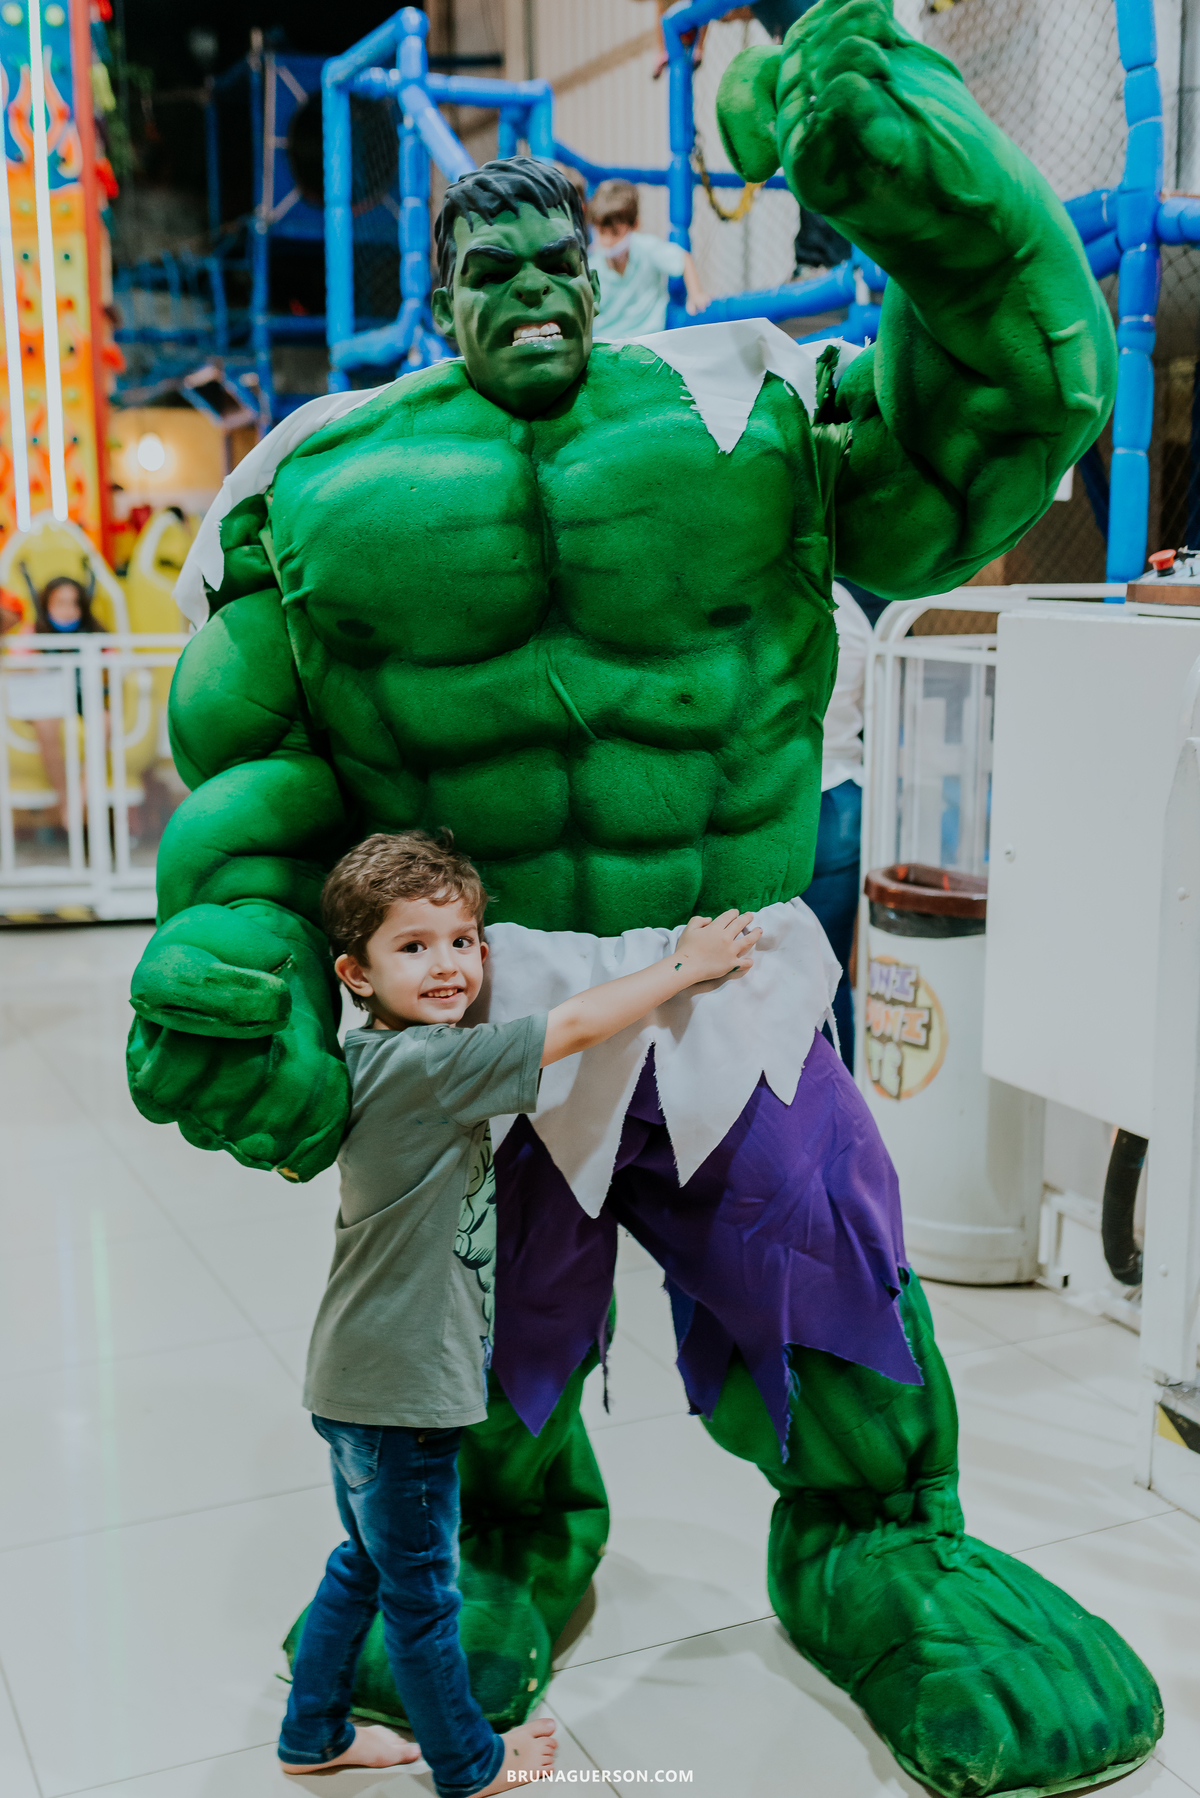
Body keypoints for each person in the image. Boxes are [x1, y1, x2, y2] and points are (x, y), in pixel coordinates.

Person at [130, 2, 1161, 1781]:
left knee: (829, 1284)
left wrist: (907, 165)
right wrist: (233, 949)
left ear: (595, 269)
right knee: (488, 1340)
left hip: (729, 987)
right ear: (446, 289)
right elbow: (264, 769)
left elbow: (1009, 410)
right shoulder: (326, 490)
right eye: (493, 266)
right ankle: (515, 1550)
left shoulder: (743, 416)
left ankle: (884, 1546)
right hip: (488, 1011)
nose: (529, 292)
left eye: (555, 259)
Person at [278, 828, 758, 1791]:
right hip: (401, 1394)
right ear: (354, 972)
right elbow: (573, 1028)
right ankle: (467, 1763)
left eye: (462, 940)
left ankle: (314, 1734)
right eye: (412, 947)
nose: (446, 964)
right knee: (422, 1593)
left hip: (354, 1377)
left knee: (364, 1566)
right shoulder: (423, 1066)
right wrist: (685, 964)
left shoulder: (382, 1056)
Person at [802, 582, 871, 1068]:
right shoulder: (848, 606)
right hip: (845, 789)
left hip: (795, 798)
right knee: (830, 975)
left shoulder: (772, 590)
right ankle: (837, 1104)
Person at [589, 178, 708, 338]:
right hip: (609, 343)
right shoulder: (593, 265)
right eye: (602, 233)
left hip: (649, 339)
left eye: (615, 233)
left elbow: (683, 258)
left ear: (635, 226)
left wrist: (696, 294)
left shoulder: (646, 248)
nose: (607, 241)